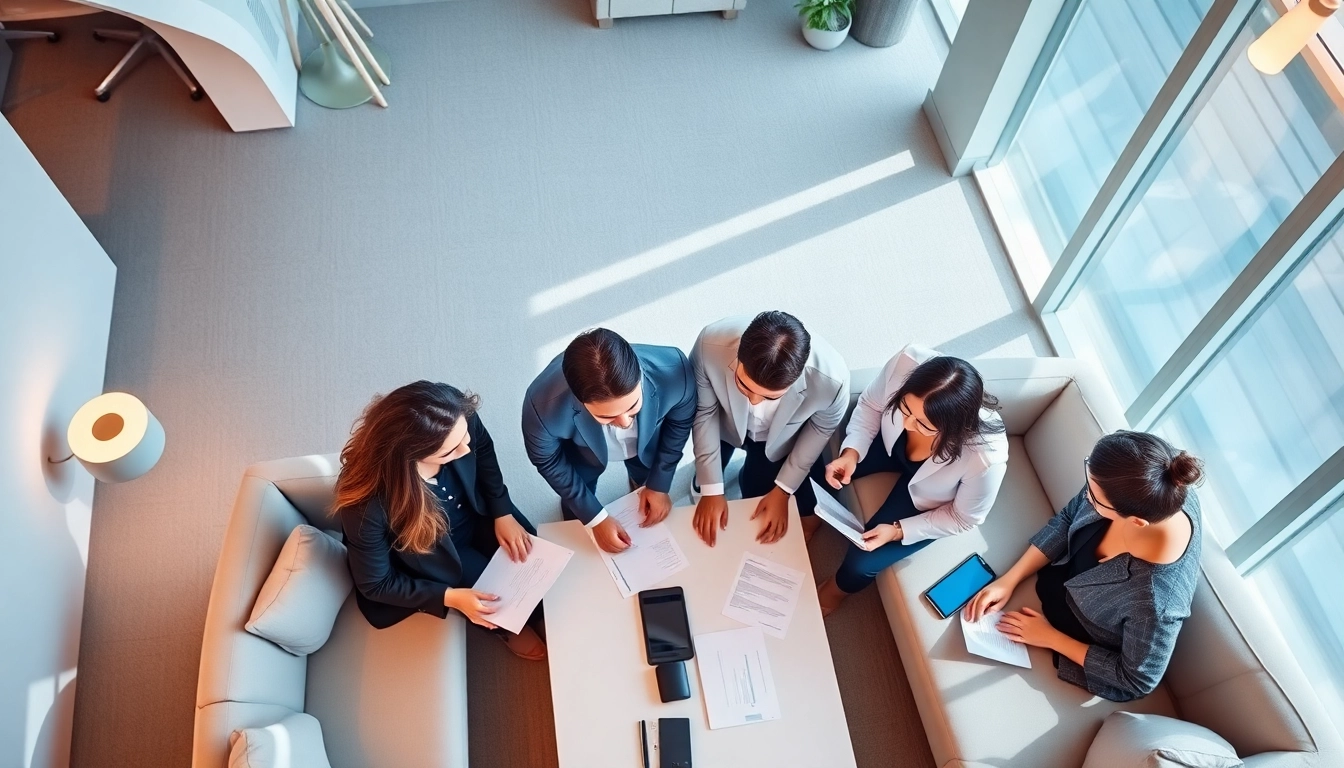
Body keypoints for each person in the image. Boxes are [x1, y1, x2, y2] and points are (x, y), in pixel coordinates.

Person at [964, 431, 1204, 702]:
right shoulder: (1152, 477)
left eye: (1093, 496)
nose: (1085, 496)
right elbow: (1069, 516)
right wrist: (1010, 579)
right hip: (1061, 575)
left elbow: (1137, 680)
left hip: (1081, 625)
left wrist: (1051, 638)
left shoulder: (1155, 601)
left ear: (1135, 522)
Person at [334, 381, 546, 661]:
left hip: (478, 510)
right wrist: (450, 597)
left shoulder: (456, 414)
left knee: (536, 566)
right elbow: (376, 583)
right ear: (408, 458)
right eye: (449, 452)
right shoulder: (365, 506)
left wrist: (502, 511)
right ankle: (505, 630)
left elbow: (483, 452)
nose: (466, 450)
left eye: (464, 437)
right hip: (432, 553)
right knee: (494, 603)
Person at [817, 346, 1007, 616]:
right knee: (827, 468)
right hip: (888, 444)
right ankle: (810, 519)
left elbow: (965, 518)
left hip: (929, 495)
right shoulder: (906, 362)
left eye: (925, 424)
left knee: (861, 562)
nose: (907, 424)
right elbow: (871, 404)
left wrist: (897, 530)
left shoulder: (986, 457)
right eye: (905, 408)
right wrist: (851, 453)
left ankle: (833, 593)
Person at [522, 328, 695, 553]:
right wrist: (595, 518)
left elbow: (679, 424)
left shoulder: (675, 369)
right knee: (577, 511)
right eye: (607, 416)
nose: (624, 423)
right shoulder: (541, 405)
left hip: (648, 444)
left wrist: (659, 484)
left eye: (632, 406)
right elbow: (548, 461)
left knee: (646, 478)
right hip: (582, 453)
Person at [690, 311, 849, 547]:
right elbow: (704, 413)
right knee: (710, 468)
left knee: (755, 495)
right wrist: (711, 489)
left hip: (778, 438)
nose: (754, 401)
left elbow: (818, 432)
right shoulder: (708, 345)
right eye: (744, 385)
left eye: (769, 397)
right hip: (724, 420)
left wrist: (783, 490)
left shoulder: (832, 384)